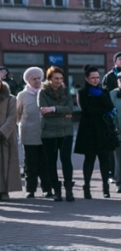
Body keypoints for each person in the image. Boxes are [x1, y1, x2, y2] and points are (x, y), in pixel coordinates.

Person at [73, 65, 119, 199]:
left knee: (104, 159)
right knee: (89, 159)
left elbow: (110, 106)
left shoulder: (103, 91)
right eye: (92, 78)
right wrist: (104, 110)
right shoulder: (82, 93)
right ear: (87, 79)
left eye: (97, 77)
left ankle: (106, 187)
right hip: (88, 130)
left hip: (104, 130)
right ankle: (86, 187)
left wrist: (100, 97)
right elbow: (86, 110)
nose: (95, 80)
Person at [38, 66, 75, 202]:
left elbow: (71, 108)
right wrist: (63, 113)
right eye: (56, 78)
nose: (59, 81)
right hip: (48, 132)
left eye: (61, 78)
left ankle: (69, 190)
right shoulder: (42, 92)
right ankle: (56, 190)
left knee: (66, 160)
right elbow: (43, 111)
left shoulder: (66, 92)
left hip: (66, 131)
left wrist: (53, 108)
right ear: (49, 79)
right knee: (51, 162)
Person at [16, 67, 50, 198]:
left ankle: (47, 188)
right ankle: (30, 189)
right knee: (30, 164)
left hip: (46, 134)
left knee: (45, 163)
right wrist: (23, 126)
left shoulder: (47, 92)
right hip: (29, 134)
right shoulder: (22, 95)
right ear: (28, 81)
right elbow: (17, 114)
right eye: (34, 79)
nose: (37, 81)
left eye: (39, 78)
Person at [0, 80, 19, 200]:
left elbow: (12, 117)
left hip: (5, 136)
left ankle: (4, 191)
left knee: (5, 163)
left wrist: (2, 132)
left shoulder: (11, 99)